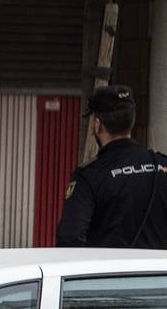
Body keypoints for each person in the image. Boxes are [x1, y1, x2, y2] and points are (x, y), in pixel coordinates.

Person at [56, 85, 167, 248]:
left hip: (109, 273)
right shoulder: (162, 166)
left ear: (97, 125)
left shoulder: (88, 177)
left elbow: (69, 239)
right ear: (131, 122)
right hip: (158, 273)